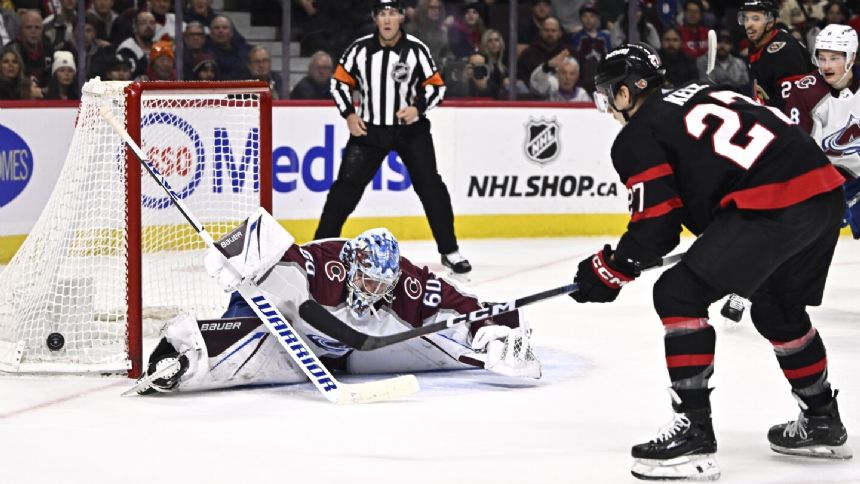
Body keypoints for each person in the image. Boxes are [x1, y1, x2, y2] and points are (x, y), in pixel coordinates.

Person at [575, 42, 851, 480]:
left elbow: (656, 227)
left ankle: (694, 434)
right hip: (823, 195)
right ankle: (822, 420)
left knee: (678, 294)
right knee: (777, 308)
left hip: (771, 204)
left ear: (626, 92)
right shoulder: (704, 93)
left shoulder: (637, 134)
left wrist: (609, 269)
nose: (609, 106)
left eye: (609, 95)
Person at [133, 222, 540, 395]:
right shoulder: (316, 264)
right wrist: (232, 257)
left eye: (382, 284)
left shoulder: (408, 284)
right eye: (366, 280)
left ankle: (493, 351)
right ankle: (177, 361)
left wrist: (492, 329)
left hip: (354, 355)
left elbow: (465, 302)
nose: (372, 291)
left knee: (443, 338)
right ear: (350, 267)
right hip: (295, 339)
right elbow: (259, 247)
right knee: (237, 343)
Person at [317, 0, 472, 275]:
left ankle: (450, 250)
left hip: (410, 130)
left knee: (431, 187)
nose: (387, 20)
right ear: (375, 19)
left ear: (401, 17)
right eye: (382, 14)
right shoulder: (359, 49)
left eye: (392, 14)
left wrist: (418, 108)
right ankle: (320, 248)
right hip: (369, 130)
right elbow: (339, 83)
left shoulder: (416, 50)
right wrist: (349, 115)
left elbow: (436, 87)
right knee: (345, 189)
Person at [783, 24, 860, 238]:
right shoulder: (805, 93)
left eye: (834, 58)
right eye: (822, 58)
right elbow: (800, 154)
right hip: (828, 181)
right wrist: (828, 197)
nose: (826, 66)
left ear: (851, 57)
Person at [739, 0, 812, 110]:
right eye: (745, 18)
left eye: (755, 19)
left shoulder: (784, 50)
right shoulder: (756, 45)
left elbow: (792, 102)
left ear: (770, 22)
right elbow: (759, 87)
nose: (748, 24)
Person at [568, 2, 612, 95]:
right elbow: (574, 59)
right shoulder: (576, 37)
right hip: (583, 78)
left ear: (597, 18)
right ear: (580, 19)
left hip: (602, 77)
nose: (588, 20)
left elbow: (609, 57)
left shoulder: (605, 36)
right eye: (584, 16)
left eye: (592, 16)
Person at [8, 10, 54, 87]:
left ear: (42, 30)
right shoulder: (12, 51)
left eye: (37, 27)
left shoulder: (49, 49)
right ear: (21, 30)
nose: (33, 31)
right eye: (28, 27)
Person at [517, 17, 566, 87]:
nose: (550, 34)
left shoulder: (568, 53)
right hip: (533, 93)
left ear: (560, 33)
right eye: (546, 30)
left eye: (553, 31)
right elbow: (521, 77)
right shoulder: (529, 53)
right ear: (540, 32)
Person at [206, 14, 250, 80]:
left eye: (224, 27)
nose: (220, 31)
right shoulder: (205, 54)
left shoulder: (244, 52)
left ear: (232, 32)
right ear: (211, 33)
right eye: (217, 28)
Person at [115, 10, 156, 79]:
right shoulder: (126, 49)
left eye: (152, 23)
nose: (148, 26)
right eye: (143, 23)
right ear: (135, 27)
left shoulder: (157, 47)